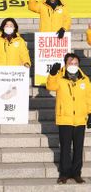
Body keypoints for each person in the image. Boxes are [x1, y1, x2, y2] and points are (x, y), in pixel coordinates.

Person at [46, 53, 91, 184]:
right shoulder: (59, 78)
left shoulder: (84, 80)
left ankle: (77, 173)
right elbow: (50, 86)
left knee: (78, 147)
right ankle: (64, 173)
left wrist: (90, 113)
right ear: (66, 64)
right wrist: (53, 73)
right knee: (65, 147)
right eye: (71, 63)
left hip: (79, 119)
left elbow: (88, 97)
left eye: (76, 63)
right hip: (65, 118)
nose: (73, 65)